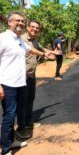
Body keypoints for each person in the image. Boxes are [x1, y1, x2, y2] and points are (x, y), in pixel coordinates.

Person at [0, 12, 50, 155]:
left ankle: (13, 140)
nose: (20, 23)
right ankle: (5, 149)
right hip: (8, 84)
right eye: (17, 21)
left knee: (17, 111)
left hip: (20, 83)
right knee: (9, 116)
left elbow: (31, 49)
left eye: (22, 21)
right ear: (9, 22)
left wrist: (44, 54)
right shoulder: (3, 38)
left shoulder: (19, 40)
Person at [16, 20, 55, 139]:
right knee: (21, 102)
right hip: (22, 76)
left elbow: (42, 49)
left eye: (37, 28)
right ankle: (20, 128)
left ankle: (28, 123)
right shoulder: (20, 39)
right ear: (27, 28)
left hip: (32, 75)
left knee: (30, 99)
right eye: (32, 27)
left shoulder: (35, 41)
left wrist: (51, 52)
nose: (35, 29)